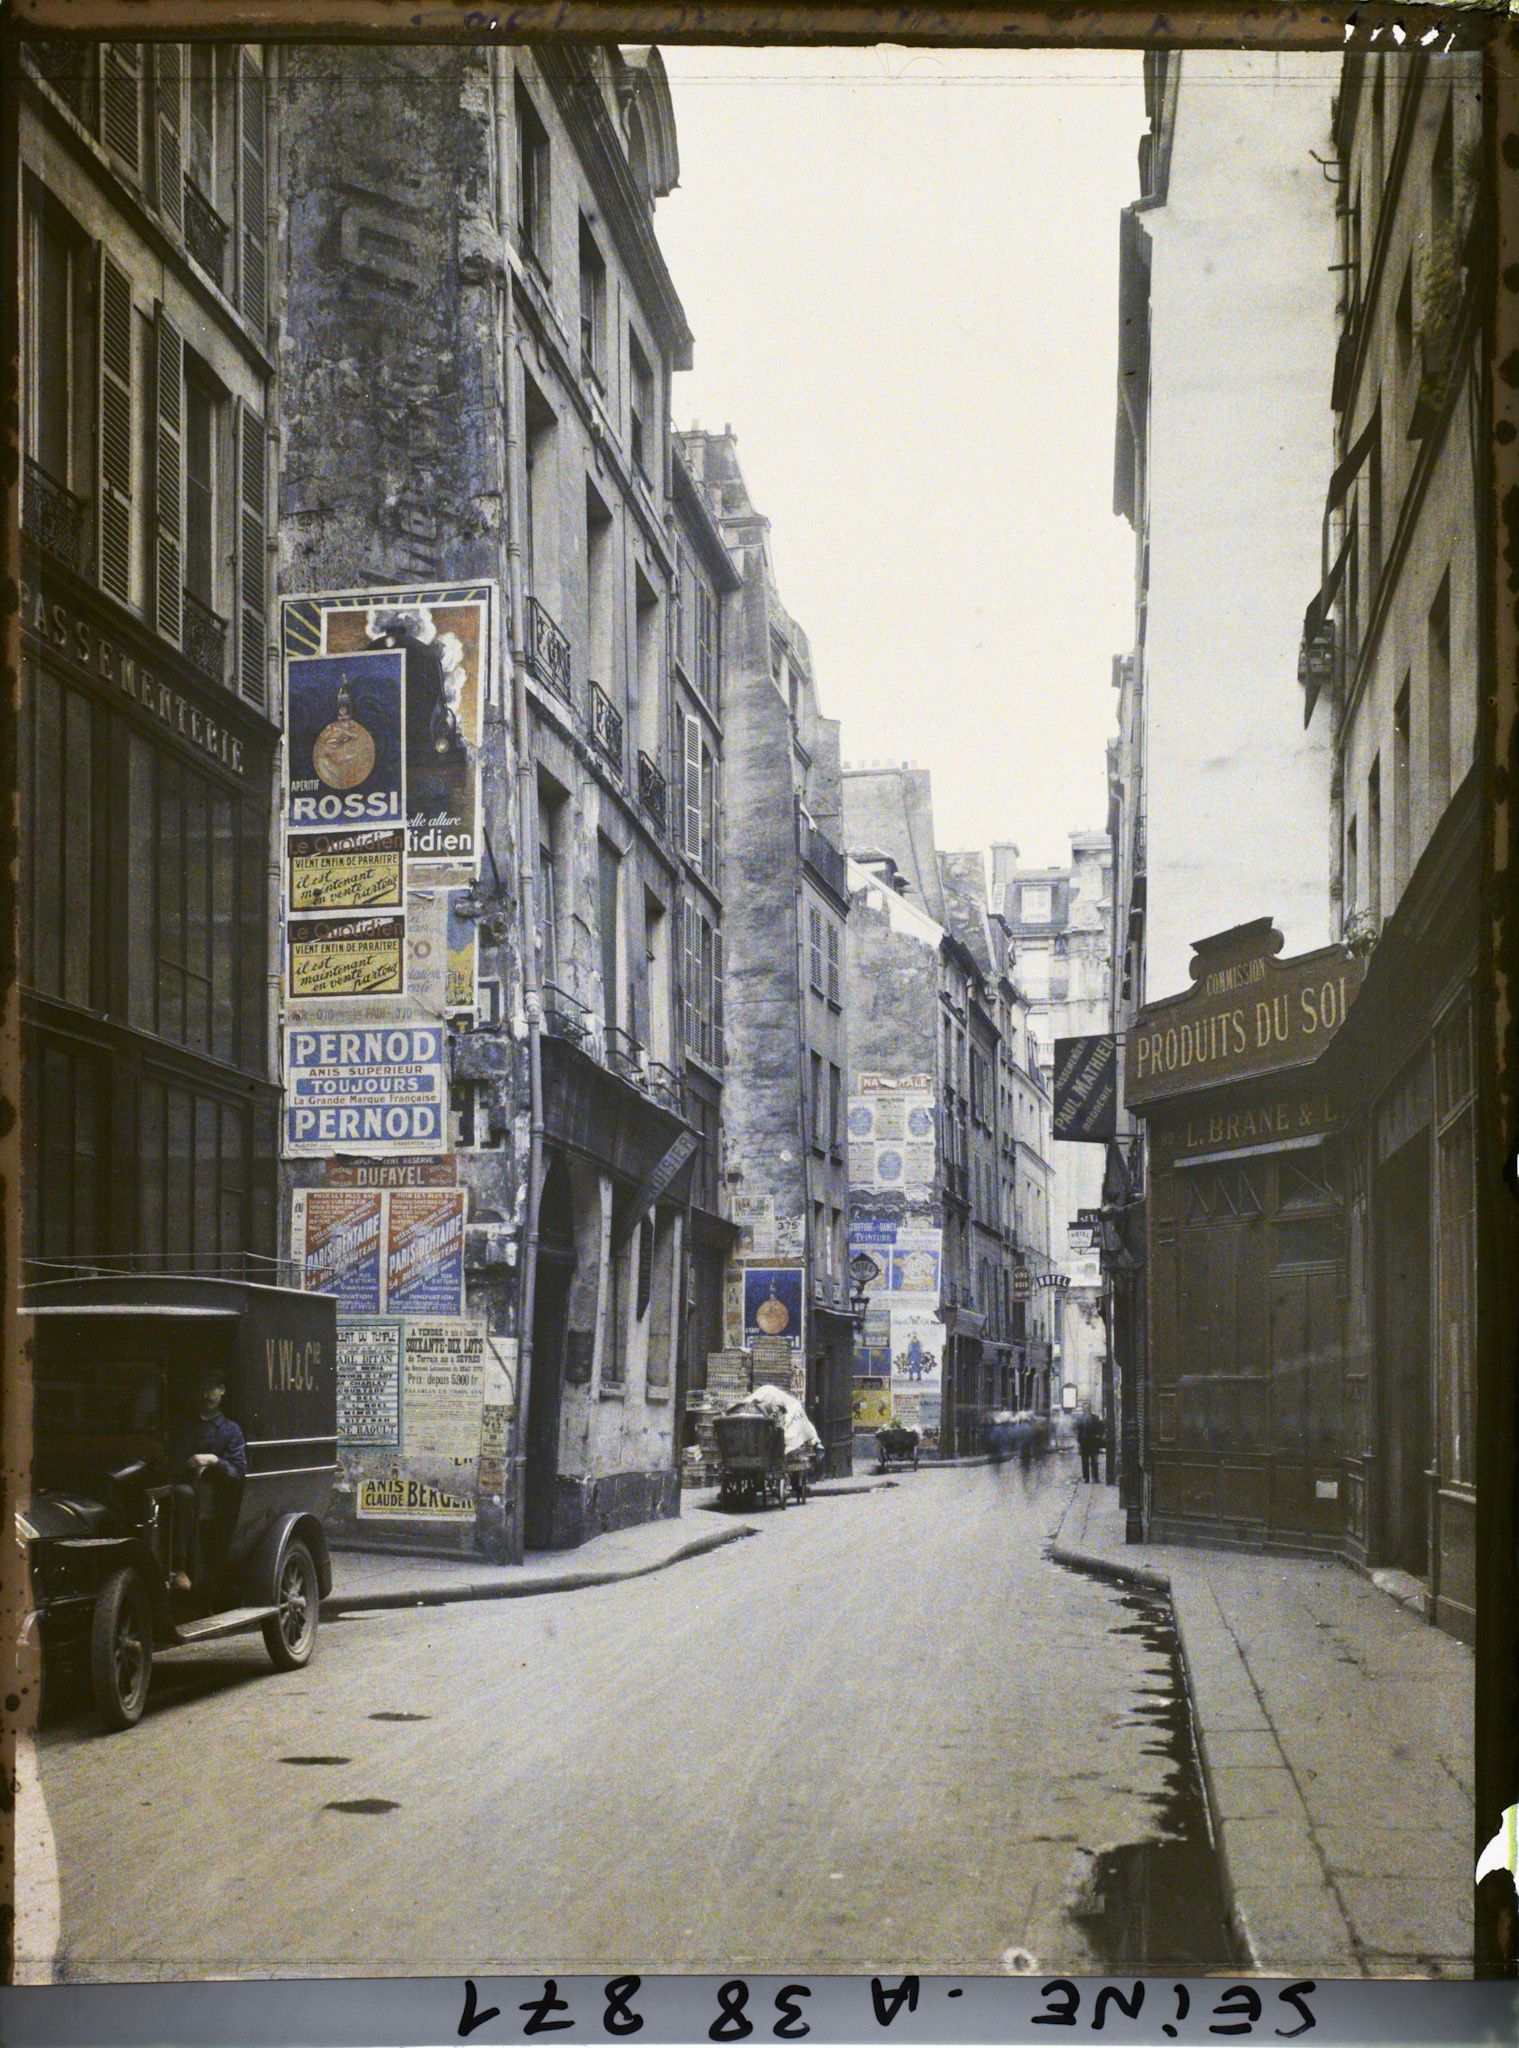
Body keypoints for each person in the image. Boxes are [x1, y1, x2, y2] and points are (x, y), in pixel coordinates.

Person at [165, 1366, 247, 1594]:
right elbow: (172, 1462)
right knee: (180, 1492)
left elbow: (238, 1472)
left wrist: (214, 1460)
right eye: (201, 1389)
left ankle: (182, 1569)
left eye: (211, 1389)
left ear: (222, 1391)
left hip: (216, 1503)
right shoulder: (185, 1428)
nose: (205, 1395)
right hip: (183, 1492)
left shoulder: (231, 1431)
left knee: (184, 1494)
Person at [1074, 1404, 1105, 1483]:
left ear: (1090, 1409)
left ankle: (1095, 1478)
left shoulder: (1095, 1418)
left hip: (1093, 1442)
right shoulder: (1079, 1419)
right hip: (1083, 1443)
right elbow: (1076, 1429)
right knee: (1084, 1461)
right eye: (1085, 1408)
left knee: (1094, 1461)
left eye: (1088, 1408)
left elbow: (1101, 1427)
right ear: (1083, 1409)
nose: (1087, 1409)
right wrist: (1078, 1440)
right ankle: (1086, 1478)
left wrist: (1099, 1435)